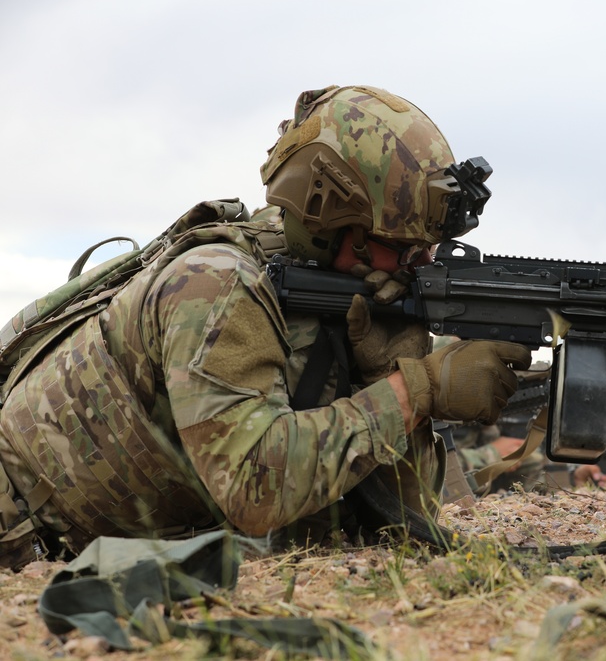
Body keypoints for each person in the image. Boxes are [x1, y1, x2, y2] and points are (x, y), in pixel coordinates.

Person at [0, 84, 531, 568]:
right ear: (331, 219)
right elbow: (256, 489)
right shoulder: (216, 285)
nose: (422, 263)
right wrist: (416, 389)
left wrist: (385, 371)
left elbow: (401, 525)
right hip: (21, 541)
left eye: (429, 248)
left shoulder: (334, 293)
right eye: (405, 247)